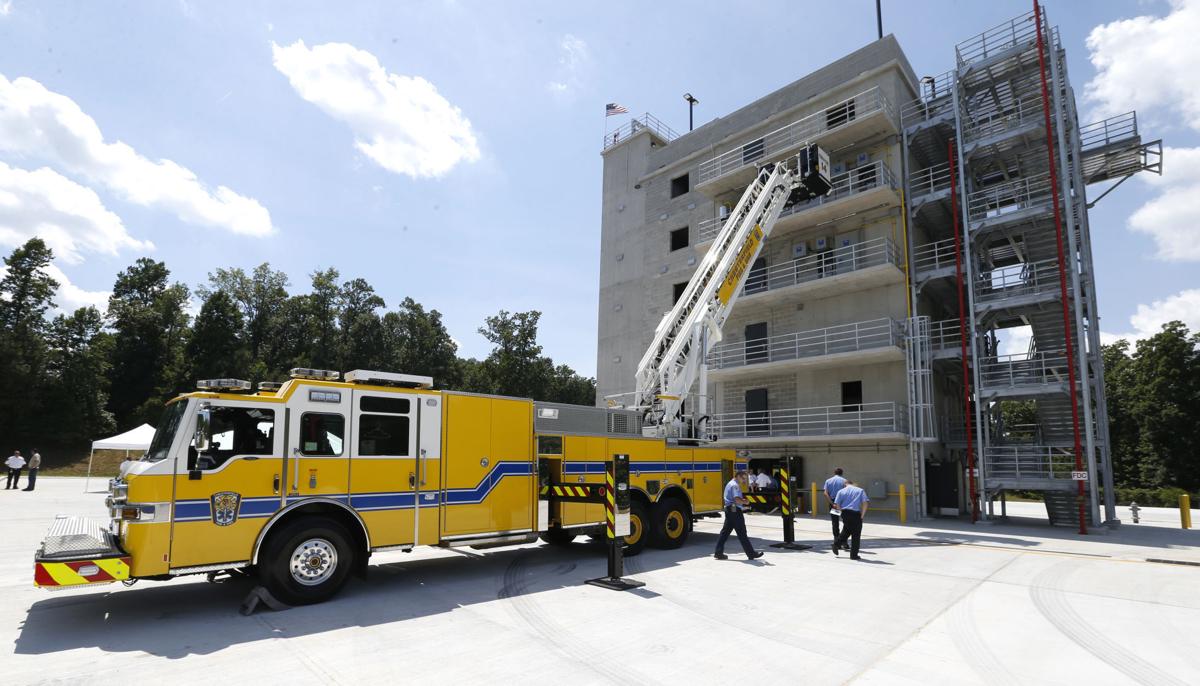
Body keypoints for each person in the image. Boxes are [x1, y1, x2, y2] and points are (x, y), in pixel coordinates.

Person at [714, 469, 764, 560]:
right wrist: (745, 501)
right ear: (738, 476)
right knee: (742, 532)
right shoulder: (735, 485)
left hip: (730, 510)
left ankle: (718, 552)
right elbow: (737, 499)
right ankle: (751, 553)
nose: (744, 481)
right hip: (734, 511)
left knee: (725, 533)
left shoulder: (731, 483)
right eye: (743, 478)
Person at [831, 479, 870, 560]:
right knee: (856, 534)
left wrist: (841, 513)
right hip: (855, 514)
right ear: (852, 483)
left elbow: (836, 504)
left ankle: (836, 543)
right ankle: (853, 555)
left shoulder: (841, 491)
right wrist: (862, 515)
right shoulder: (860, 490)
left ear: (845, 484)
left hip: (845, 513)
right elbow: (865, 503)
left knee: (847, 530)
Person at [824, 467, 849, 549]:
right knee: (846, 522)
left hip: (833, 503)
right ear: (842, 473)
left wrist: (832, 503)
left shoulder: (828, 481)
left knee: (835, 522)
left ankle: (836, 541)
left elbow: (826, 493)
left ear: (834, 473)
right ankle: (844, 542)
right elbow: (846, 492)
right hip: (842, 504)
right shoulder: (844, 481)